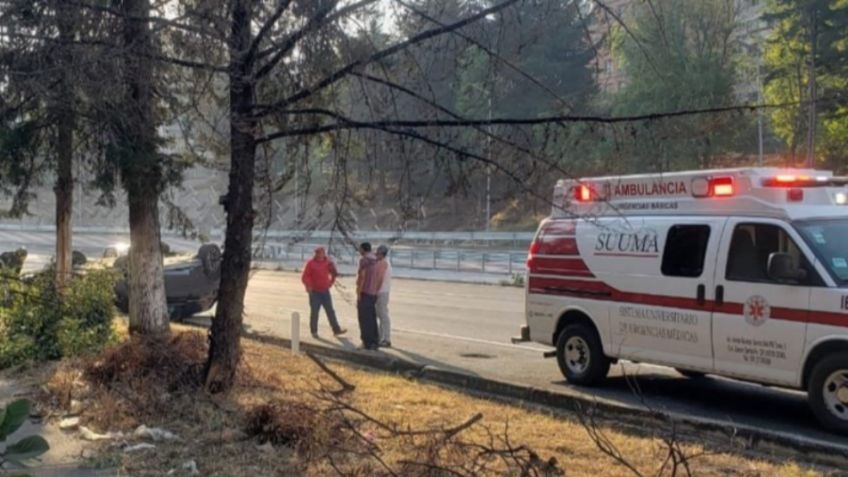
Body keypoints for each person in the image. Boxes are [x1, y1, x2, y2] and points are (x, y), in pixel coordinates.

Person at [301, 247, 346, 338]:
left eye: (322, 253)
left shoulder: (328, 262)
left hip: (325, 291)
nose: (321, 255)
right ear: (316, 254)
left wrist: (331, 282)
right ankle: (314, 331)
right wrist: (308, 286)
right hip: (315, 292)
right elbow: (305, 276)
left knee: (330, 311)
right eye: (319, 253)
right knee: (315, 312)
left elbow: (334, 273)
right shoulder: (311, 263)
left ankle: (336, 330)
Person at [355, 242, 382, 350]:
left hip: (365, 292)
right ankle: (374, 341)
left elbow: (362, 277)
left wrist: (358, 292)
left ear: (363, 249)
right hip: (373, 293)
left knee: (363, 319)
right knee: (372, 318)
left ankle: (366, 342)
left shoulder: (364, 260)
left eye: (360, 249)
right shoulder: (376, 260)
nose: (359, 251)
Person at [375, 245, 392, 347]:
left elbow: (380, 279)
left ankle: (385, 338)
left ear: (381, 254)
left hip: (381, 292)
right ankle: (382, 337)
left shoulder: (382, 263)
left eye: (378, 253)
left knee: (383, 315)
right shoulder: (387, 262)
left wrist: (375, 290)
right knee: (382, 315)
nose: (376, 255)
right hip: (384, 291)